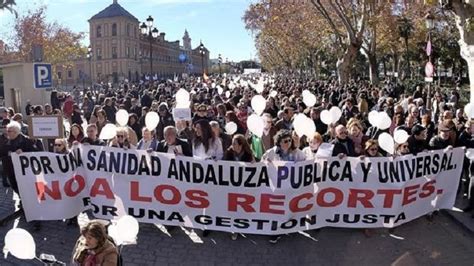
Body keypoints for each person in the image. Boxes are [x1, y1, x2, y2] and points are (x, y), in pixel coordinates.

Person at [262, 129, 305, 243]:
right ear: (279, 142)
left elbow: (307, 163)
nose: (288, 143)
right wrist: (266, 163)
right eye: (285, 141)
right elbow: (262, 163)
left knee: (290, 208)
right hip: (276, 188)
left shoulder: (296, 152)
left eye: (289, 140)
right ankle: (274, 232)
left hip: (291, 187)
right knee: (276, 210)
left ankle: (290, 227)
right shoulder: (271, 152)